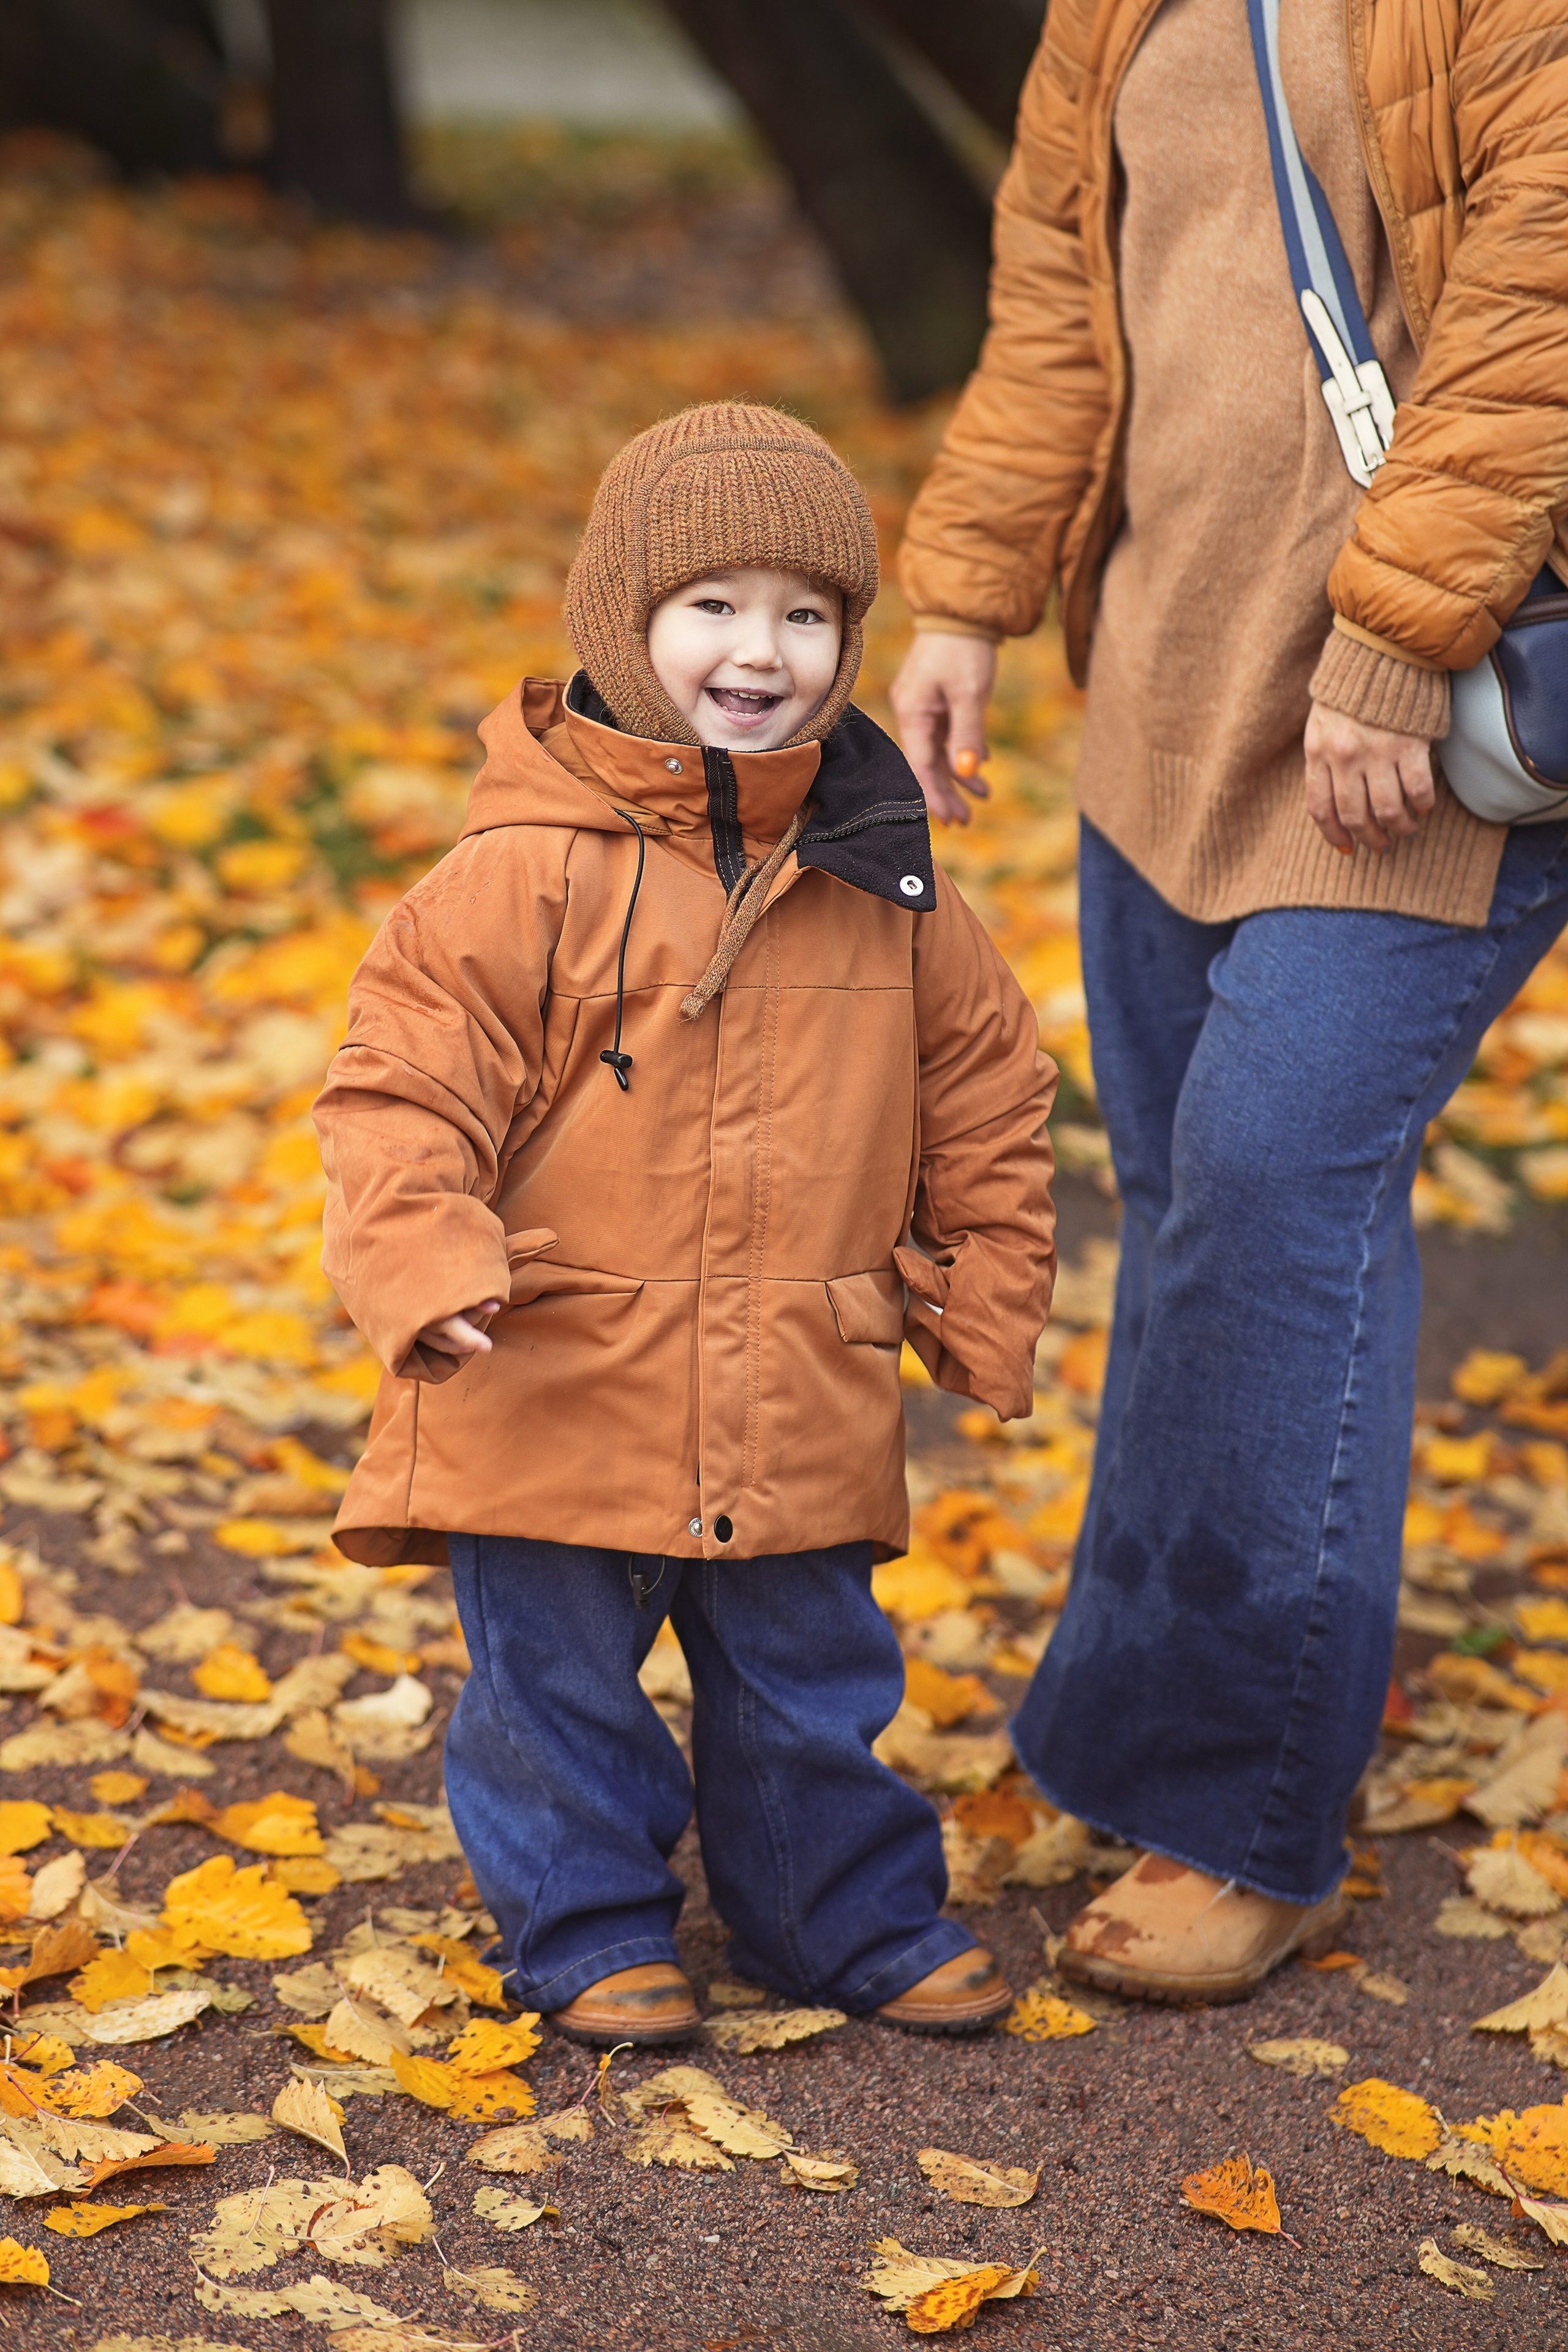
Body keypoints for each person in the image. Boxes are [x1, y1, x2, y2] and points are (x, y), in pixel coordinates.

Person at [891, 0, 1568, 2003]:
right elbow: (1053, 310)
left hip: (1414, 708)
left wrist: (1391, 634)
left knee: (1277, 1188)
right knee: (1194, 1204)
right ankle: (1146, 1715)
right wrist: (964, 596)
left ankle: (1243, 1803)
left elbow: (1541, 306)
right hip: (1172, 677)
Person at [314, 403, 1057, 2044]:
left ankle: (838, 1918)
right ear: (624, 624)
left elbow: (992, 1100)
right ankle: (587, 1930)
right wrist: (430, 1260)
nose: (761, 648)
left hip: (801, 1366)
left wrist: (985, 1297)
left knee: (814, 1680)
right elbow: (401, 1091)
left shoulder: (891, 885)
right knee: (558, 1688)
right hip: (559, 1364)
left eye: (807, 614)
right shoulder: (520, 876)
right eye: (713, 604)